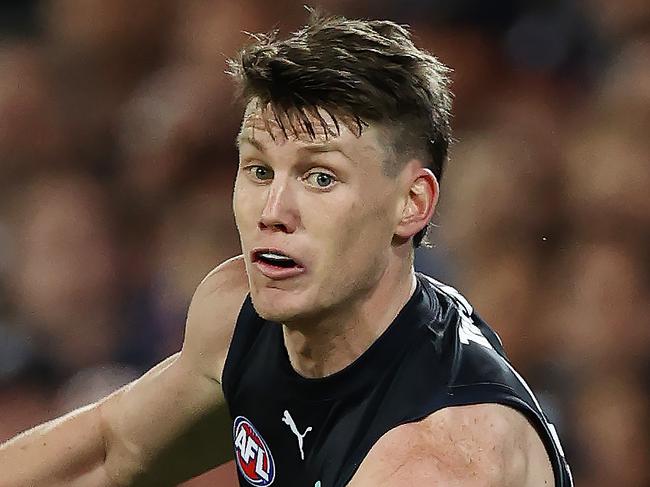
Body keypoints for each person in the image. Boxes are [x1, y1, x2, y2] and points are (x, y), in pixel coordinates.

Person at [0, 13, 573, 487]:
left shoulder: (435, 461)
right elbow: (110, 451)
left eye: (320, 177)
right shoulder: (240, 319)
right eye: (257, 169)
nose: (273, 209)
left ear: (412, 204)